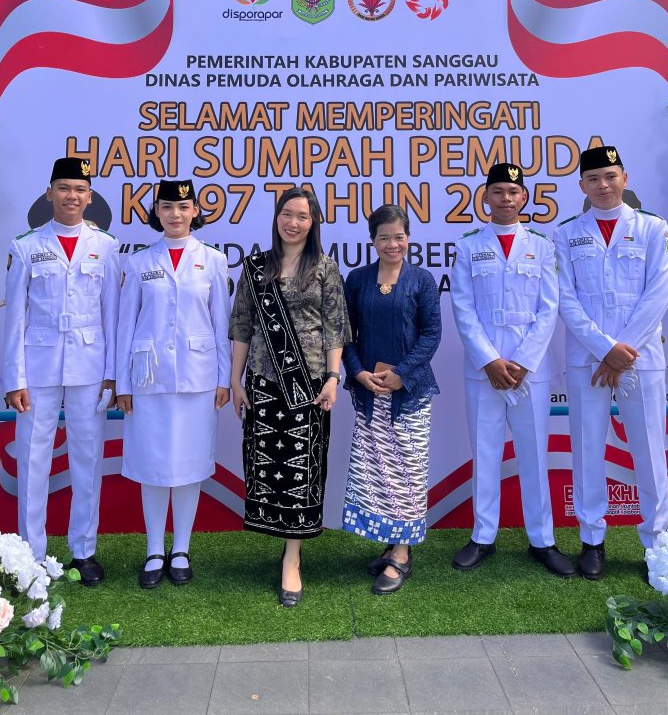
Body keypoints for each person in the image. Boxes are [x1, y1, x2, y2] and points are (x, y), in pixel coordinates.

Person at [553, 145, 668, 579]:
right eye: (593, 179)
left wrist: (621, 352)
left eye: (610, 176)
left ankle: (657, 545)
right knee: (587, 449)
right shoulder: (566, 234)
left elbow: (658, 294)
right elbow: (565, 299)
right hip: (589, 361)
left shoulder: (652, 227)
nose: (603, 185)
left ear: (624, 177)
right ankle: (592, 541)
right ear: (581, 186)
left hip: (641, 359)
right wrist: (605, 350)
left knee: (650, 452)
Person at [450, 162, 575, 577]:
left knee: (534, 455)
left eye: (513, 192)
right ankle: (483, 536)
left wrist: (522, 361)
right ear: (485, 197)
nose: (506, 198)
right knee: (485, 454)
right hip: (483, 371)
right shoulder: (468, 246)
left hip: (529, 372)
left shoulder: (542, 246)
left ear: (524, 198)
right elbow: (463, 308)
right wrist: (490, 360)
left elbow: (549, 308)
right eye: (498, 191)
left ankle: (542, 540)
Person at [229, 187, 351, 606]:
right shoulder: (255, 268)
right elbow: (242, 325)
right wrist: (236, 380)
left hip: (310, 385)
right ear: (276, 217)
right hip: (264, 381)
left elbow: (335, 328)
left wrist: (333, 377)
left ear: (313, 222)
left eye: (302, 215)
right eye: (287, 214)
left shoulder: (325, 268)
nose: (293, 222)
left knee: (303, 472)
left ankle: (292, 558)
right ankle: (279, 541)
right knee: (268, 468)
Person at [1, 157, 120, 584]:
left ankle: (83, 551)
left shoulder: (106, 246)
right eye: (64, 188)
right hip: (38, 367)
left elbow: (111, 315)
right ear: (49, 192)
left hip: (89, 368)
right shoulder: (26, 246)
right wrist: (14, 378)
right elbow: (14, 317)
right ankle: (30, 555)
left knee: (87, 459)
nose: (72, 196)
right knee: (33, 460)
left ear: (90, 197)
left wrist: (112, 373)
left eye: (80, 189)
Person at [116, 179, 231, 588]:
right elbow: (125, 326)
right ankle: (153, 549)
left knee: (188, 465)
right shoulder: (138, 262)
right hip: (148, 376)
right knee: (152, 465)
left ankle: (180, 548)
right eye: (167, 207)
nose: (175, 214)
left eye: (183, 207)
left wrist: (223, 378)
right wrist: (123, 383)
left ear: (195, 211)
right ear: (157, 212)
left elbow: (221, 324)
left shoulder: (213, 260)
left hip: (198, 378)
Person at [341, 204, 441, 594]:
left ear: (408, 238)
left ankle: (402, 552)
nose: (392, 244)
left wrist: (403, 373)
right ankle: (390, 543)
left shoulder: (422, 280)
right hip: (370, 392)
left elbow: (431, 334)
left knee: (407, 473)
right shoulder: (357, 280)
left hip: (409, 393)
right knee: (377, 473)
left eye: (399, 236)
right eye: (384, 237)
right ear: (372, 240)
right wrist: (358, 372)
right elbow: (346, 334)